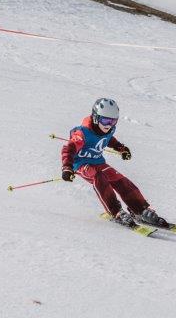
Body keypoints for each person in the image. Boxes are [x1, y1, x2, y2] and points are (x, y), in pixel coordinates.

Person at [61, 98, 167, 228]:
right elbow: (69, 149)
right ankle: (116, 212)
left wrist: (121, 148)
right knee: (99, 177)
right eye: (105, 121)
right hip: (81, 164)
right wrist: (67, 167)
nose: (109, 125)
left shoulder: (109, 129)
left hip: (98, 162)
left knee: (120, 179)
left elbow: (109, 139)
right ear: (96, 117)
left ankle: (140, 210)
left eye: (113, 121)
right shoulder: (83, 133)